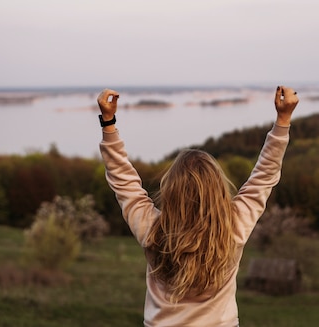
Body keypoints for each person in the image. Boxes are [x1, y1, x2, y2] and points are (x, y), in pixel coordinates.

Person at [97, 86, 299, 327]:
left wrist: (108, 123)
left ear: (171, 191)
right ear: (218, 190)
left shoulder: (152, 230)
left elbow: (123, 181)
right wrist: (283, 120)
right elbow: (264, 175)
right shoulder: (234, 227)